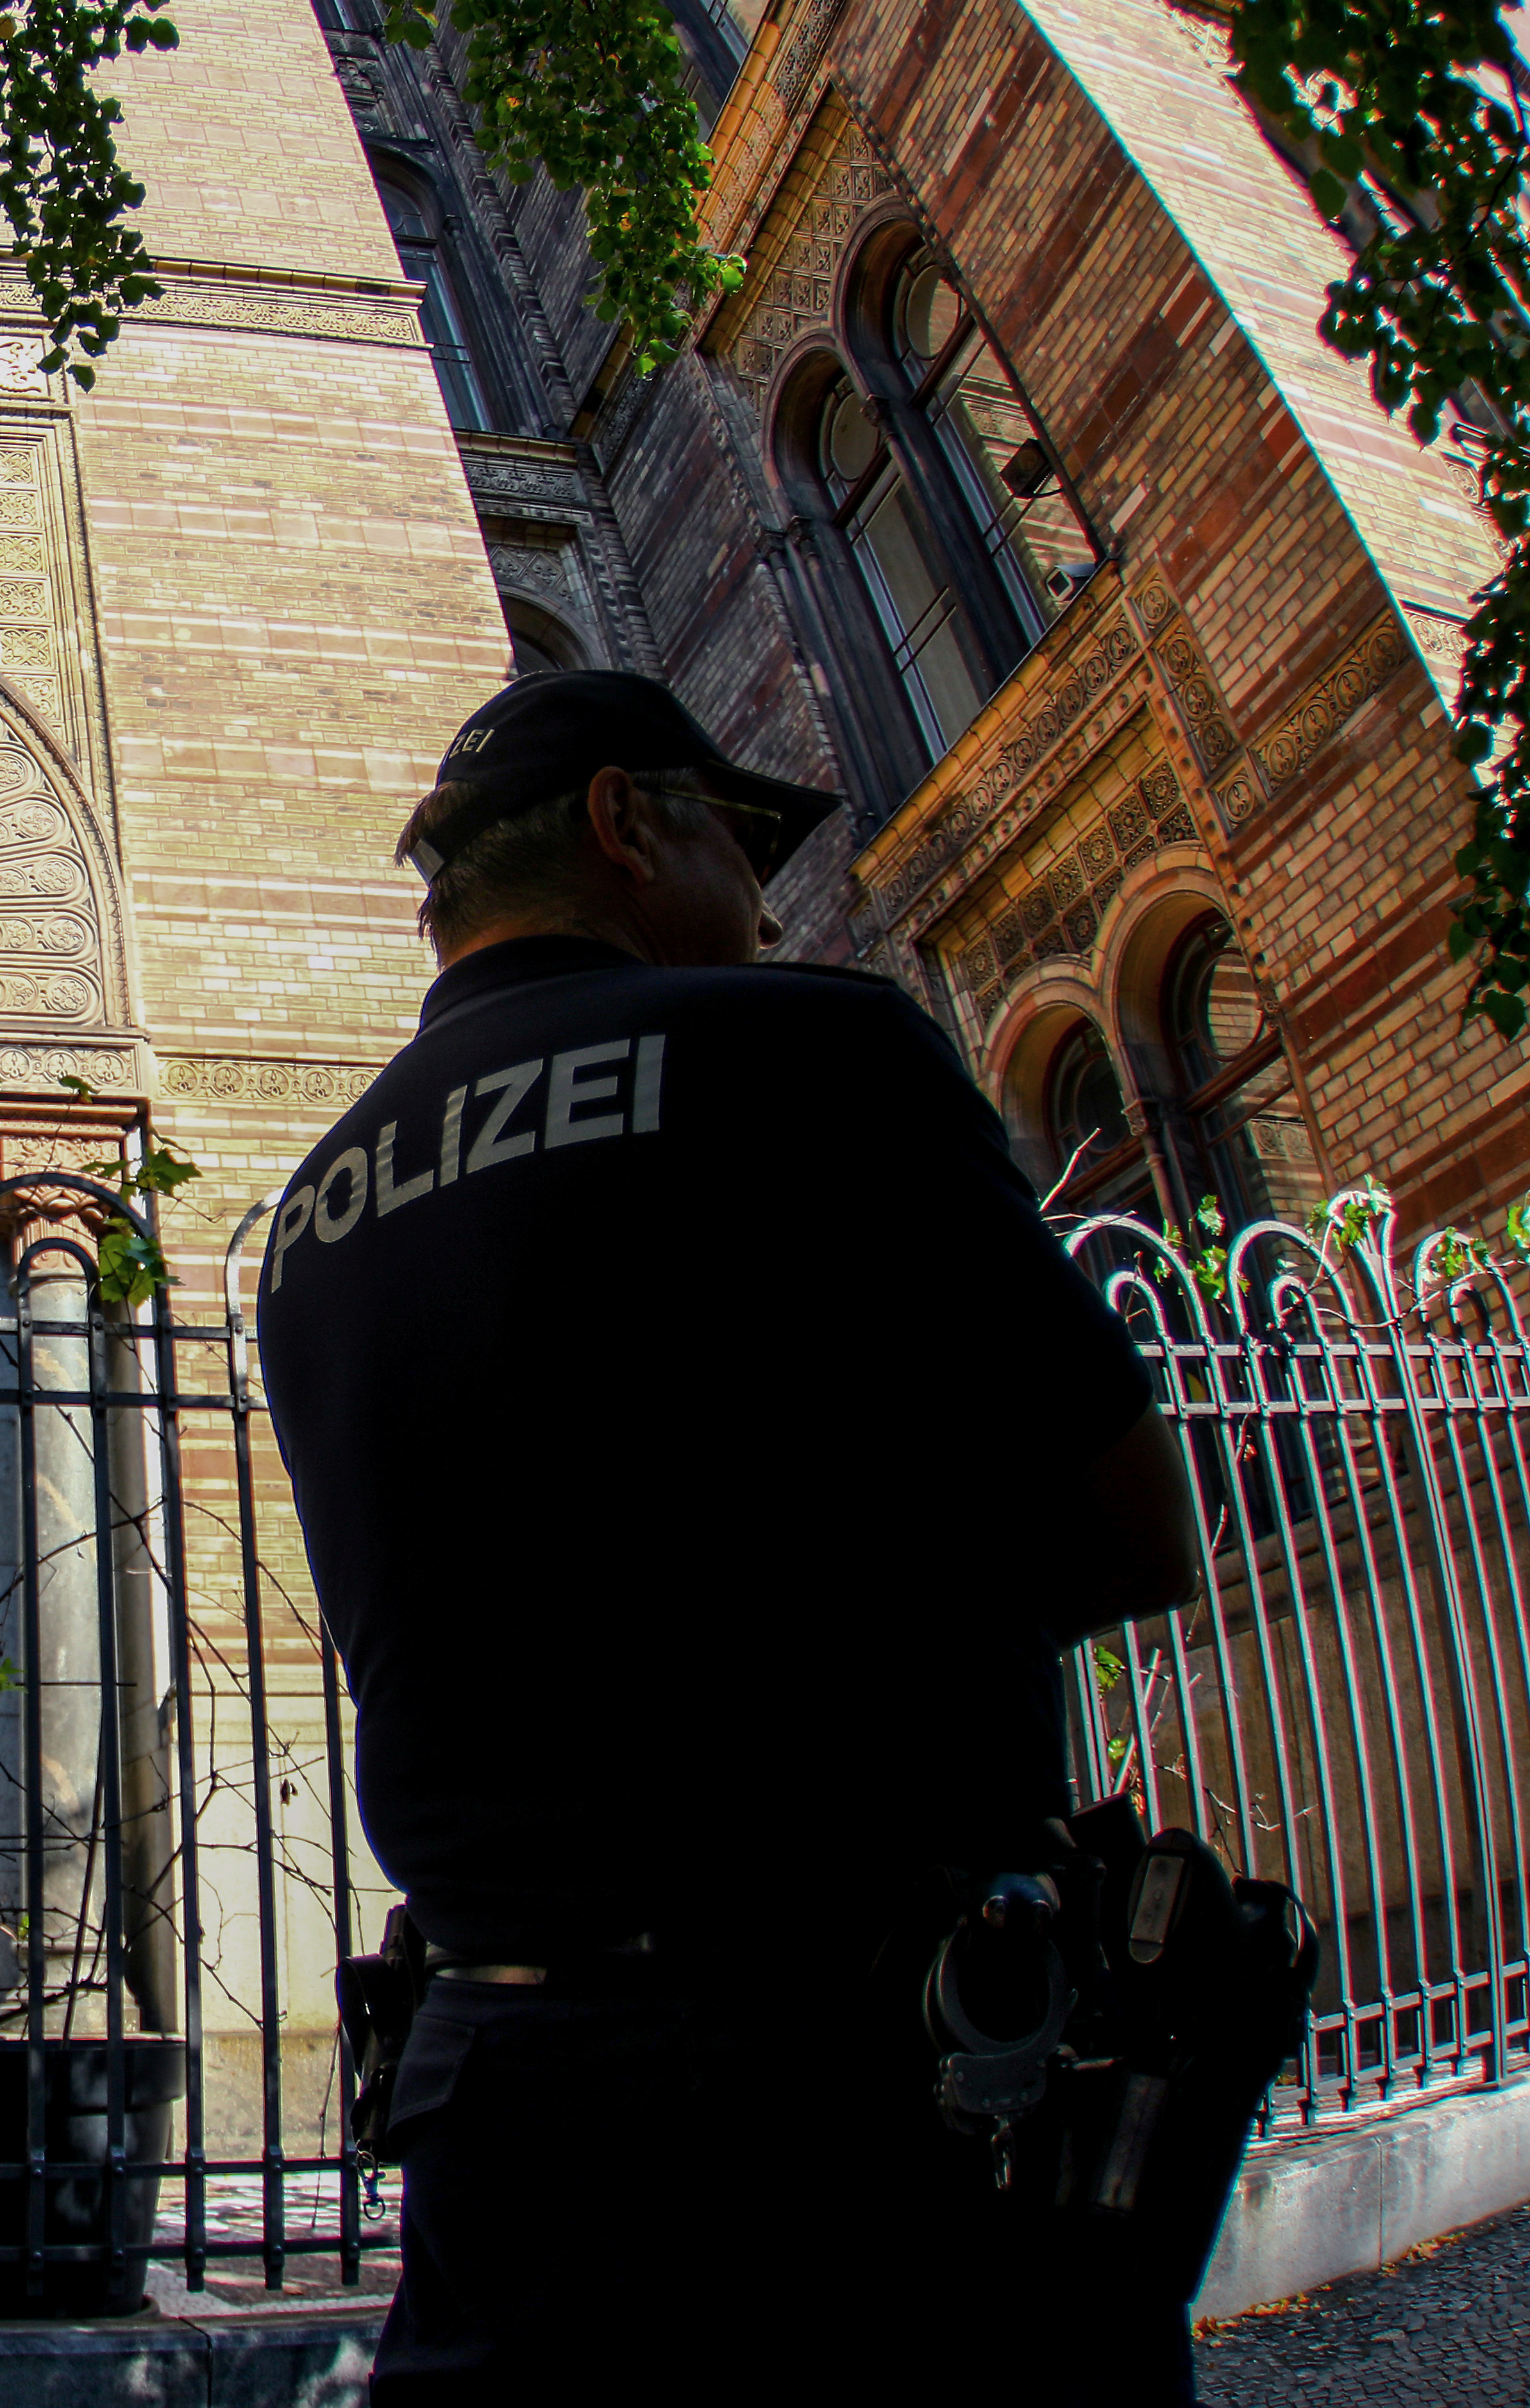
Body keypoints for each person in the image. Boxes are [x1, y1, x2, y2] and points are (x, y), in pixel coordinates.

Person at [255, 671, 1208, 2404]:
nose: (764, 899)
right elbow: (1136, 1524)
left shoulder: (308, 1212)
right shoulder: (815, 1048)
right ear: (629, 819)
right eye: (741, 837)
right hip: (844, 2080)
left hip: (487, 2088)